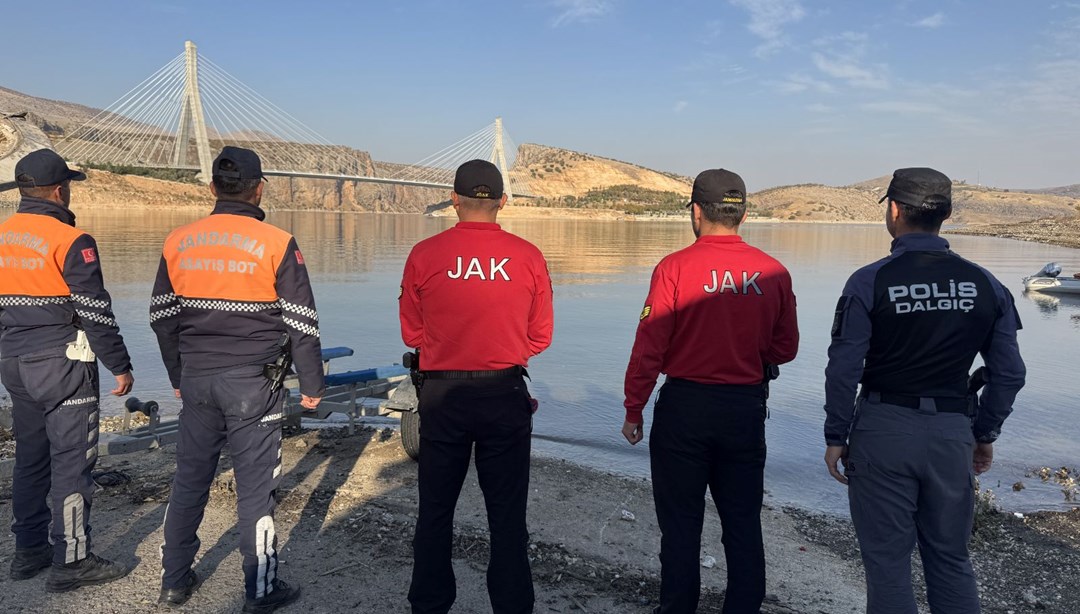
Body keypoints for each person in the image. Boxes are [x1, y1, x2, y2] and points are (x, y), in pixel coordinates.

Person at [823, 167, 1026, 613]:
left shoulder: (868, 281)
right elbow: (1009, 374)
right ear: (945, 214)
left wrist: (836, 435)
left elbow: (843, 370)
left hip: (883, 431)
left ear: (894, 211)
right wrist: (984, 432)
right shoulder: (987, 284)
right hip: (953, 432)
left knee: (888, 564)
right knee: (951, 559)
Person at [150, 146, 324, 612]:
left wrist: (178, 375)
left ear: (212, 188)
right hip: (253, 385)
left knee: (189, 479)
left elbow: (162, 317)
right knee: (255, 489)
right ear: (259, 187)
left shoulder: (178, 240)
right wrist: (312, 385)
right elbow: (301, 321)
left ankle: (174, 580)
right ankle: (261, 590)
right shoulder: (277, 242)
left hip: (199, 381)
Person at [622, 169, 799, 614]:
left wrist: (634, 408)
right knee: (742, 523)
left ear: (697, 212)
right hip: (743, 410)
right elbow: (786, 347)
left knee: (680, 526)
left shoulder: (675, 267)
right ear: (741, 213)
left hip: (685, 409)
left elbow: (650, 346)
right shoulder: (774, 272)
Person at [399, 159, 553, 614]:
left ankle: (428, 605)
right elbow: (540, 335)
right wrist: (501, 348)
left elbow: (412, 333)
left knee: (435, 512)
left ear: (454, 199)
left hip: (442, 395)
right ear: (502, 202)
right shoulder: (527, 256)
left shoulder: (425, 254)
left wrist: (452, 348)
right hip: (503, 395)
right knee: (507, 518)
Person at [0, 149, 134, 591]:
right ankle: (72, 562)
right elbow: (95, 309)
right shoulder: (71, 240)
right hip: (61, 364)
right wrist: (120, 365)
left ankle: (29, 552)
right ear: (60, 190)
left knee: (30, 460)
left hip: (14, 364)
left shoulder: (2, 234)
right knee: (73, 464)